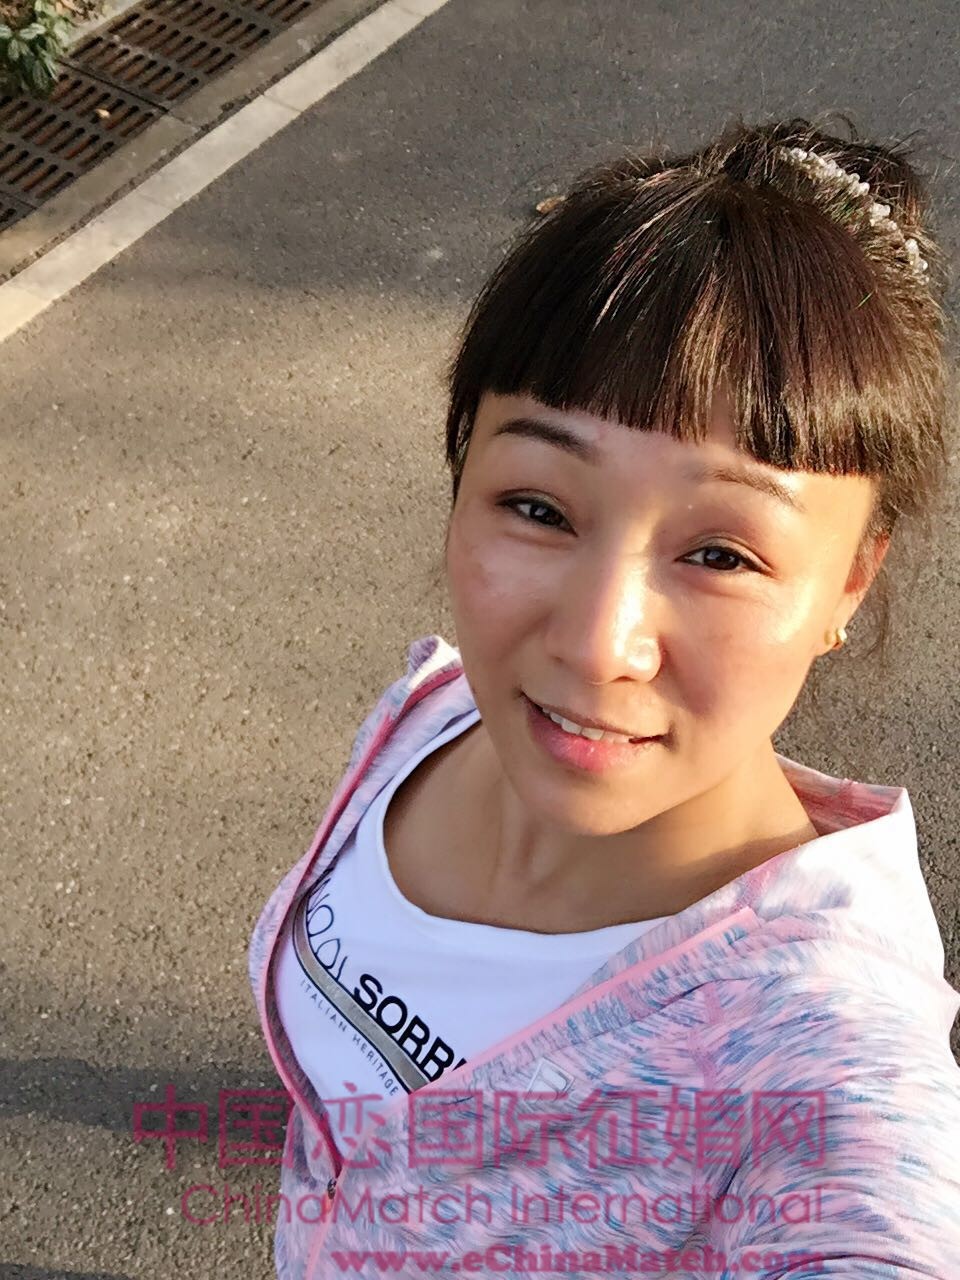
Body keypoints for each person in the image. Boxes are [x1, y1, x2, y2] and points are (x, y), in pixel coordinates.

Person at [248, 115, 960, 1279]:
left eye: (722, 553)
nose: (594, 646)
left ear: (849, 580)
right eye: (538, 507)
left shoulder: (823, 1049)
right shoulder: (428, 716)